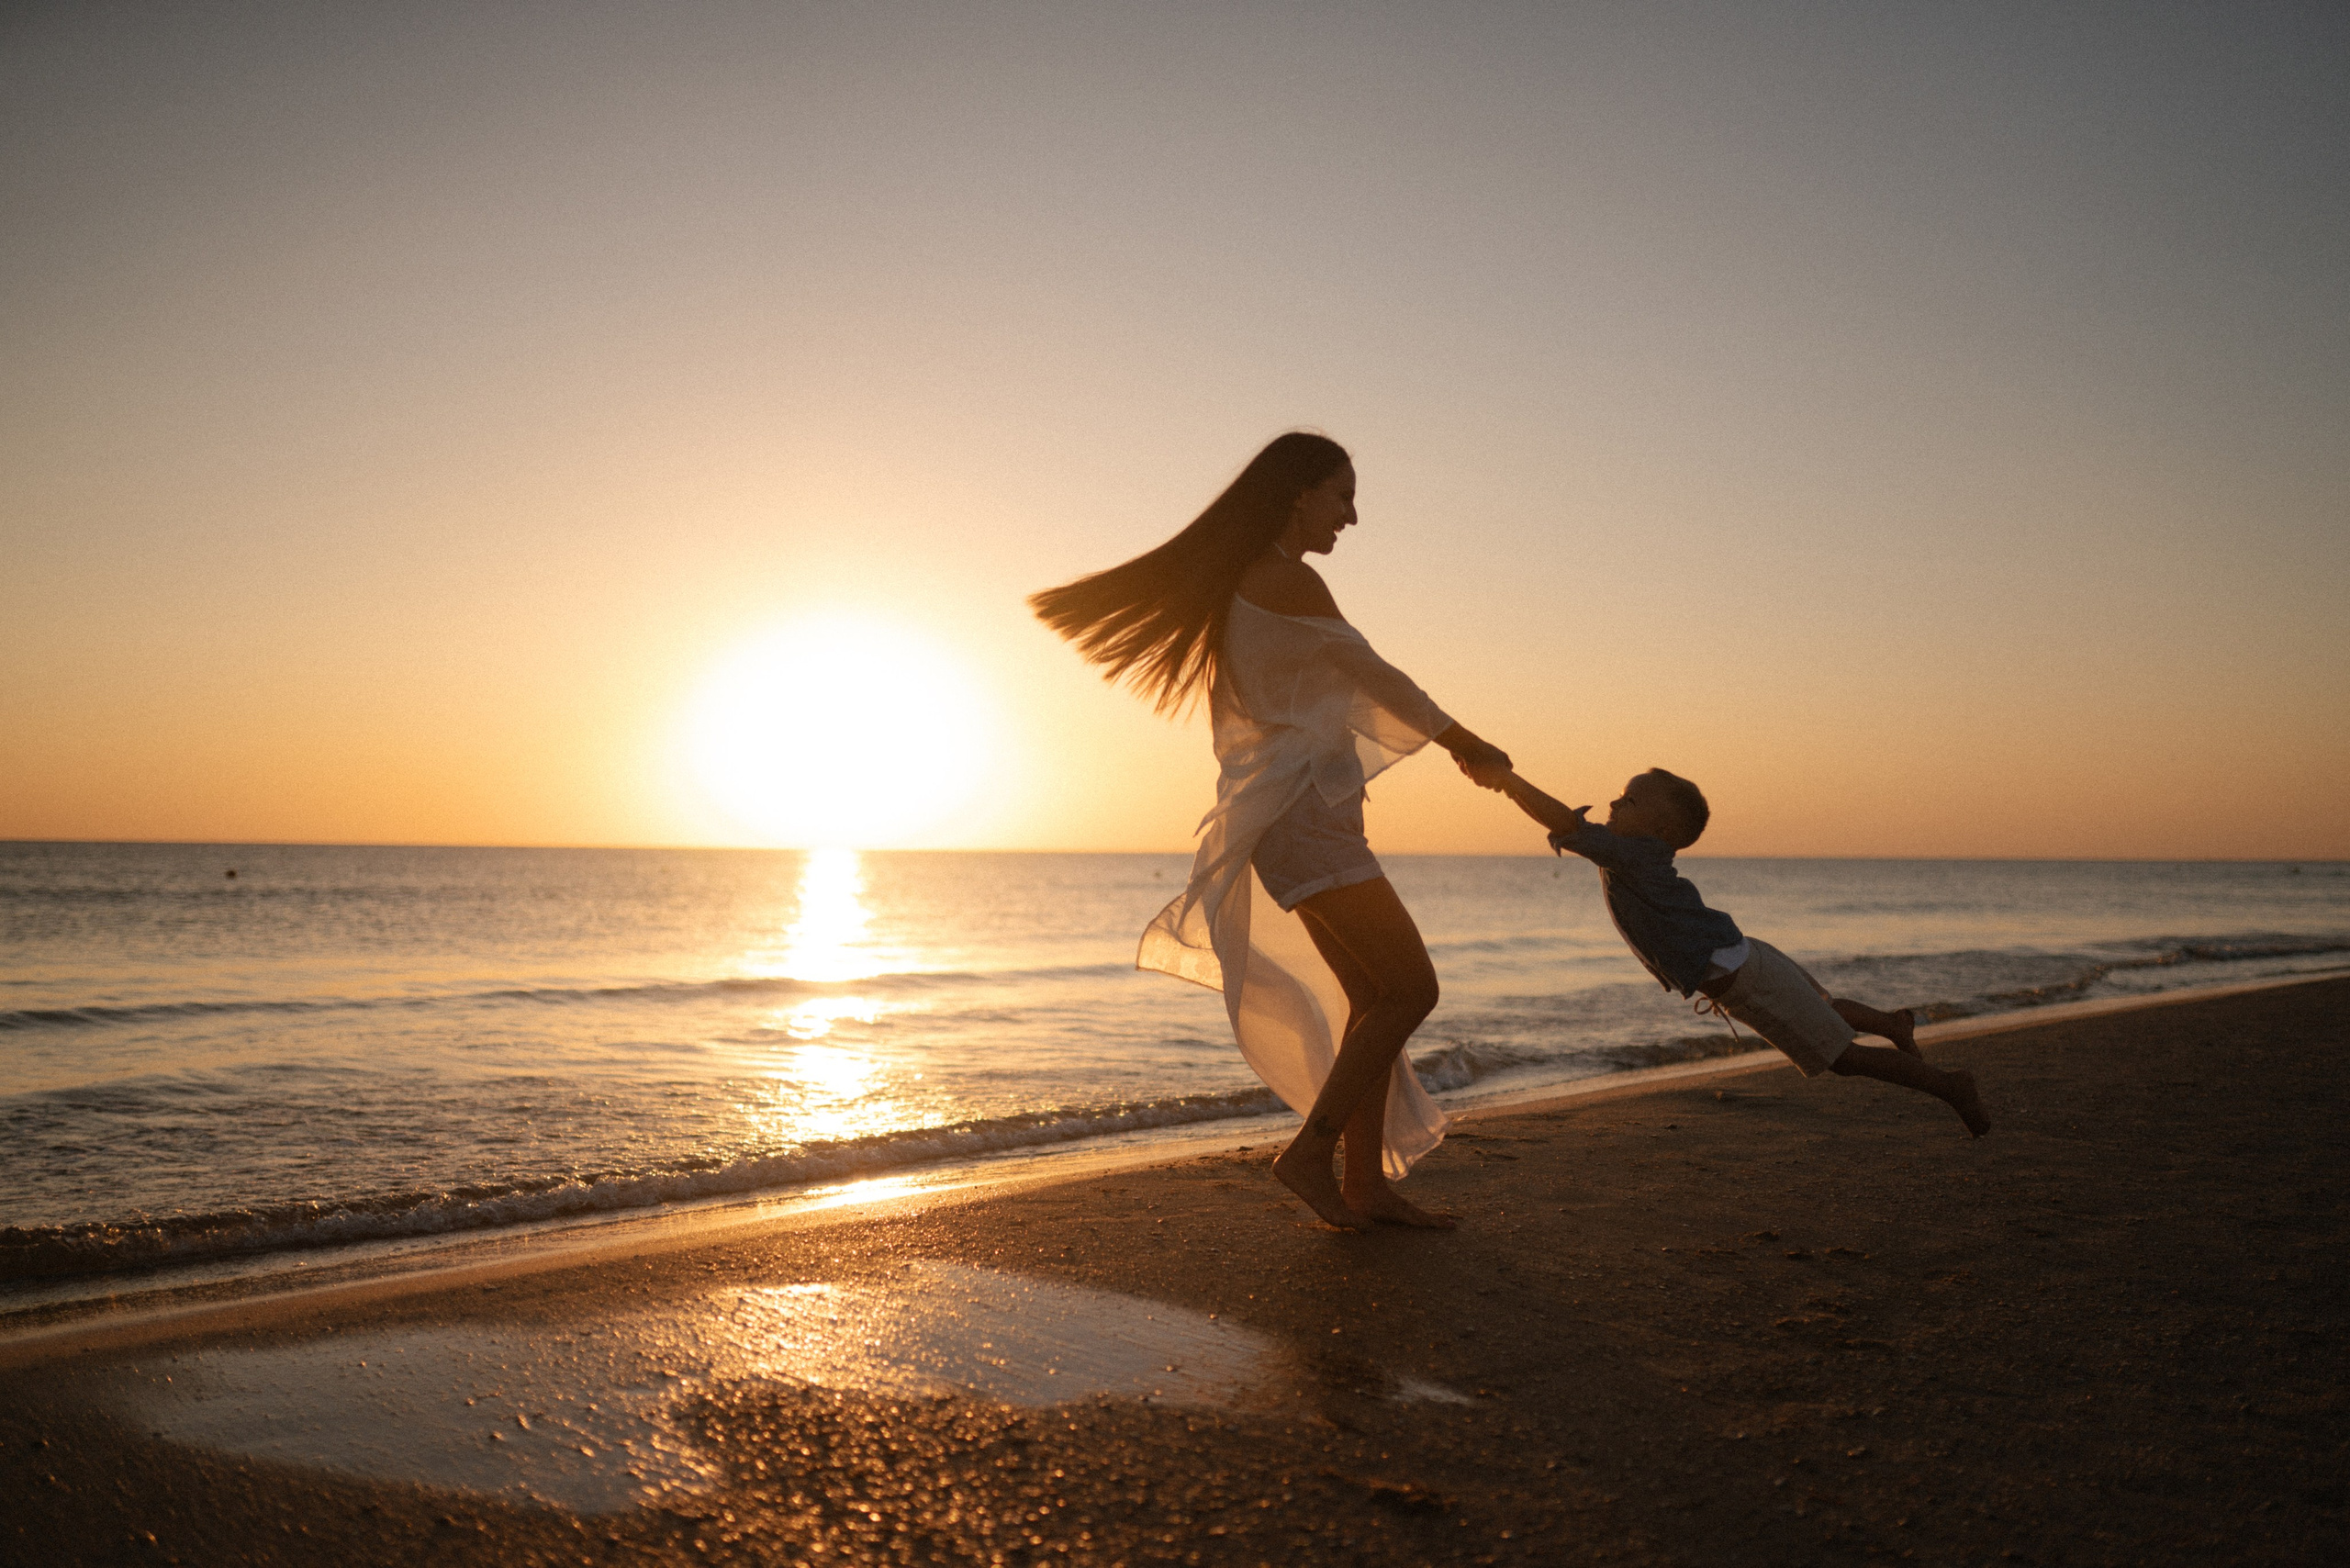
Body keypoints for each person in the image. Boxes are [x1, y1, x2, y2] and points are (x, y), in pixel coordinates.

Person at [1031, 432, 1513, 1228]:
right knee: (1411, 989)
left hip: (1296, 817)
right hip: (1304, 821)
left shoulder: (1249, 583)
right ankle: (1310, 1155)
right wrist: (1467, 742)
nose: (1351, 517)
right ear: (1299, 495)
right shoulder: (1287, 579)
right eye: (1342, 496)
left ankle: (1365, 1187)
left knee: (1374, 996)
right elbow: (1375, 676)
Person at [1480, 766, 1990, 1137]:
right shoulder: (1632, 853)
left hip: (1748, 979)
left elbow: (1568, 824)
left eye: (1630, 802)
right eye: (1619, 796)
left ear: (1663, 831)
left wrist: (1508, 781)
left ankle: (1950, 1086)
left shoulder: (1636, 854)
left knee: (1843, 1057)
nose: (1614, 804)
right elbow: (1574, 828)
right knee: (1826, 1010)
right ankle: (1892, 1024)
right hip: (1747, 956)